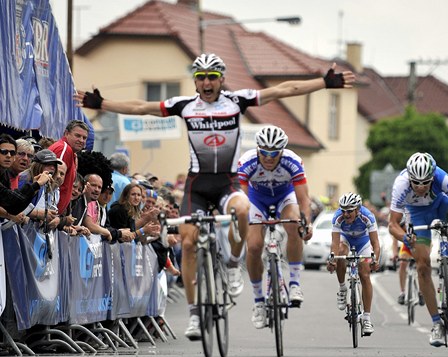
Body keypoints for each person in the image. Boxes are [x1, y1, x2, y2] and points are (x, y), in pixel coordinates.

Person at [75, 52, 355, 340]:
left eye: (212, 77)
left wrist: (323, 83)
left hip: (228, 182)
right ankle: (196, 315)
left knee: (244, 209)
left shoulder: (237, 101)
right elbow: (142, 106)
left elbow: (284, 89)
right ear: (196, 82)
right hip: (198, 184)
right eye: (201, 78)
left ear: (221, 80)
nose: (207, 82)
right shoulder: (184, 106)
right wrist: (103, 104)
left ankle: (234, 264)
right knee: (187, 241)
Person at [388, 152, 448, 347]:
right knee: (422, 266)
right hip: (417, 215)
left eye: (425, 182)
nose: (421, 187)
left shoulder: (441, 176)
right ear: (410, 179)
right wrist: (404, 237)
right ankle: (437, 323)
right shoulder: (401, 185)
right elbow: (392, 225)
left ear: (432, 177)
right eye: (416, 183)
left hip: (441, 204)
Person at [237, 126, 313, 328]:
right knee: (253, 247)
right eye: (264, 152)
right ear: (258, 149)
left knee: (295, 224)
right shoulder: (246, 162)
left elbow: (303, 199)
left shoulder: (293, 161)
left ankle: (295, 284)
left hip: (284, 197)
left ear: (282, 152)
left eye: (274, 153)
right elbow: (241, 200)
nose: (269, 157)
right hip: (256, 200)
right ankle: (259, 302)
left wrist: (308, 223)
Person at [326, 192, 381, 336]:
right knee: (341, 253)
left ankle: (367, 318)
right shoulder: (337, 217)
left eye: (350, 211)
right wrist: (332, 259)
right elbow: (335, 243)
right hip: (346, 239)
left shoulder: (367, 216)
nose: (346, 214)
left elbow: (375, 242)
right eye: (343, 210)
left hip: (363, 242)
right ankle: (343, 288)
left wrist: (376, 260)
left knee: (364, 274)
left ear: (358, 209)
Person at [0, 134, 52, 226]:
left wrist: (35, 187)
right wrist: (37, 184)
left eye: (12, 153)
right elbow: (12, 201)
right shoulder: (19, 176)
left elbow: (15, 206)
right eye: (4, 152)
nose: (25, 158)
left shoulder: (5, 174)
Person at [49, 120, 90, 213]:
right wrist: (56, 216)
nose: (81, 140)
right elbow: (54, 183)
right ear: (66, 133)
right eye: (77, 136)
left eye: (84, 138)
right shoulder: (64, 149)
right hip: (50, 214)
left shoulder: (71, 153)